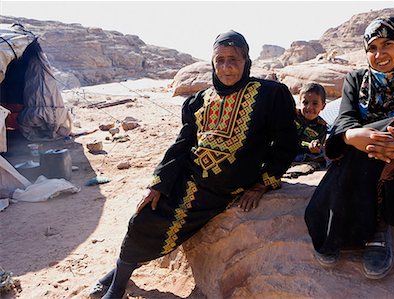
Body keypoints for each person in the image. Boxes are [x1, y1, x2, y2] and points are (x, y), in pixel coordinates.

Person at [89, 30, 298, 299]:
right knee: (144, 216)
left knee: (162, 227)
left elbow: (286, 142)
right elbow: (181, 145)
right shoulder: (199, 101)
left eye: (233, 59)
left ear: (247, 61)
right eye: (219, 60)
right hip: (188, 178)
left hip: (226, 189)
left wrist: (262, 183)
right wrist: (159, 183)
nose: (226, 66)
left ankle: (117, 275)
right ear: (212, 63)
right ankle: (117, 282)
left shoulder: (270, 95)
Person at [304, 17, 394, 279]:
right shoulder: (356, 80)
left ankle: (378, 224)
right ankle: (352, 225)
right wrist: (353, 135)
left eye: (388, 44)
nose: (379, 54)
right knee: (374, 136)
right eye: (372, 47)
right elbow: (345, 119)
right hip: (358, 160)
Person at [293, 83, 327, 168]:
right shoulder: (292, 115)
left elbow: (318, 144)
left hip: (304, 151)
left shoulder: (321, 126)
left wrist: (314, 147)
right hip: (286, 147)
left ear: (323, 106)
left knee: (322, 154)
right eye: (305, 102)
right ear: (300, 102)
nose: (309, 107)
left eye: (315, 103)